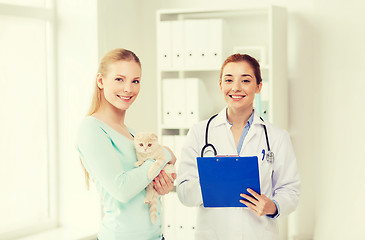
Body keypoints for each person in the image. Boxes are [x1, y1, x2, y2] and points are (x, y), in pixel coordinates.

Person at [176, 53, 300, 240]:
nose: (236, 87)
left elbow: (290, 190)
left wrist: (273, 206)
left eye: (245, 80)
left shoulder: (277, 137)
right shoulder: (199, 132)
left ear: (258, 86)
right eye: (229, 80)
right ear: (220, 86)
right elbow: (184, 193)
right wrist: (213, 180)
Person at [76, 48, 176, 240]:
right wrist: (163, 154)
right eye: (119, 79)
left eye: (135, 81)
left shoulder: (131, 133)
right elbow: (121, 189)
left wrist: (162, 185)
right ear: (100, 81)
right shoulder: (91, 128)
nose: (128, 89)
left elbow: (142, 183)